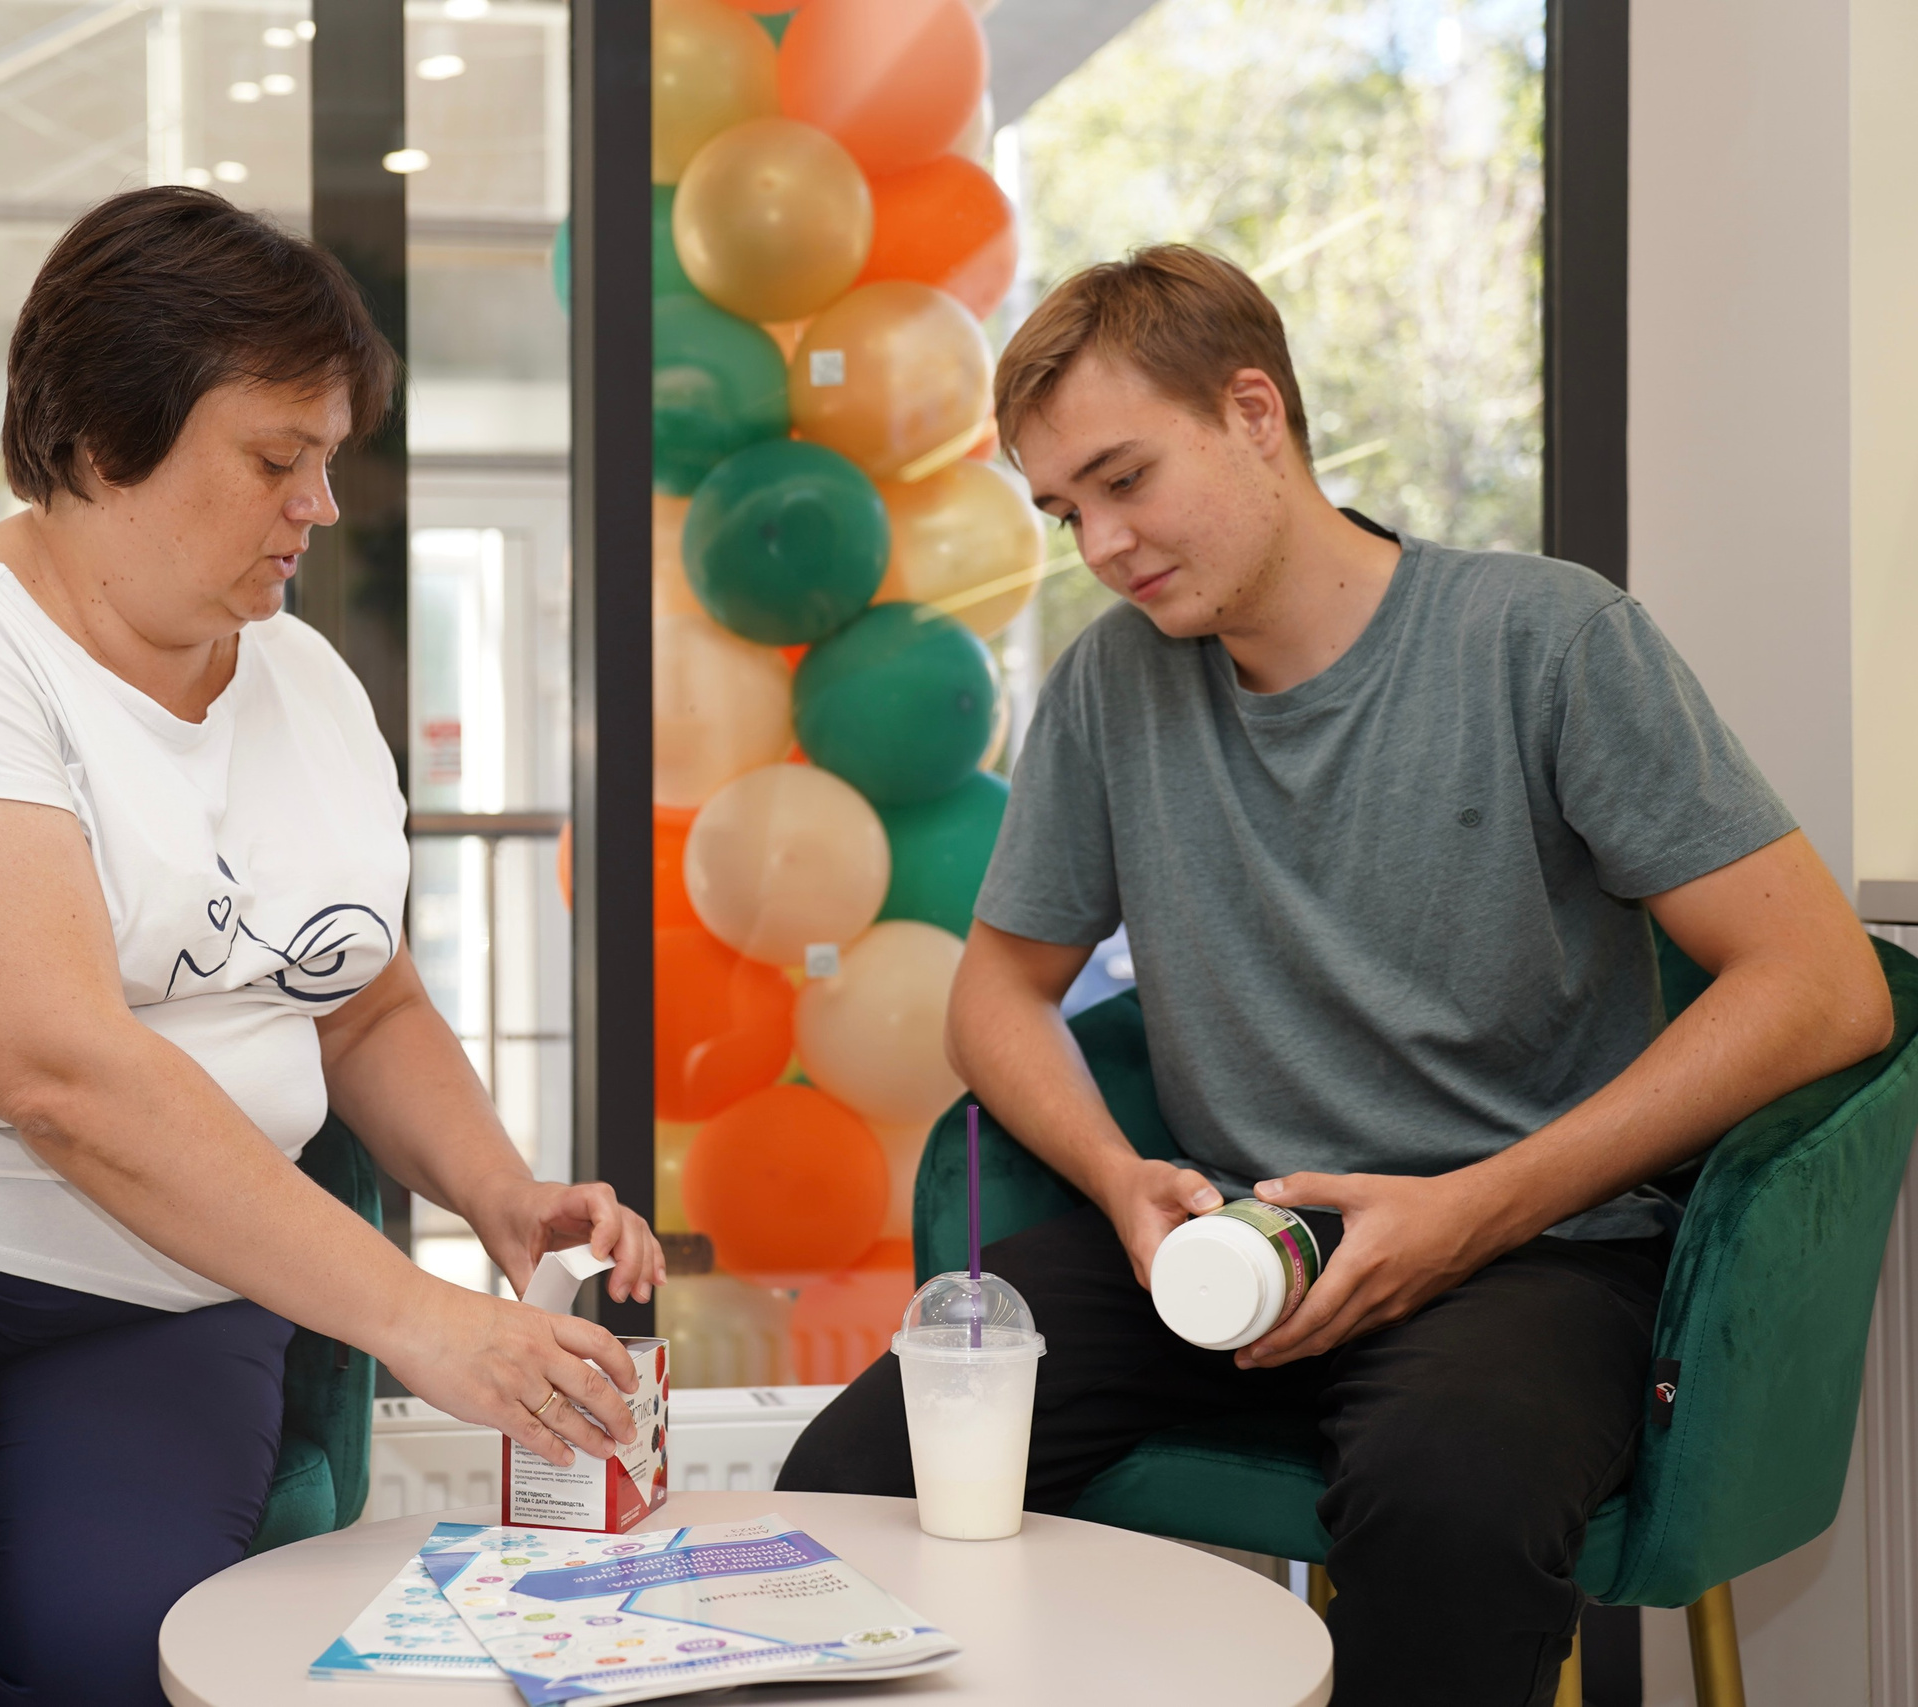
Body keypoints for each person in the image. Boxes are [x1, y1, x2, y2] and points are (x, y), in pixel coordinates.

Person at [775, 244, 1893, 1706]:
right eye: (1065, 510)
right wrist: (1124, 1182)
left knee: (1448, 1506)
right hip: (1234, 1247)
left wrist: (1468, 1213)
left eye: (1125, 479)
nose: (1100, 544)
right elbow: (994, 999)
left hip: (1533, 1252)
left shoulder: (1546, 639)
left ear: (1255, 411)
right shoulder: (1115, 686)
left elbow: (1825, 986)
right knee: (848, 1482)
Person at [0, 186, 665, 1707]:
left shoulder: (309, 684)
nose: (317, 507)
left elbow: (362, 1001)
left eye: (327, 461)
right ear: (103, 440)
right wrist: (416, 1315)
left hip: (167, 1289)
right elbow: (56, 1071)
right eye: (275, 459)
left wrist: (497, 1195)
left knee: (118, 1648)